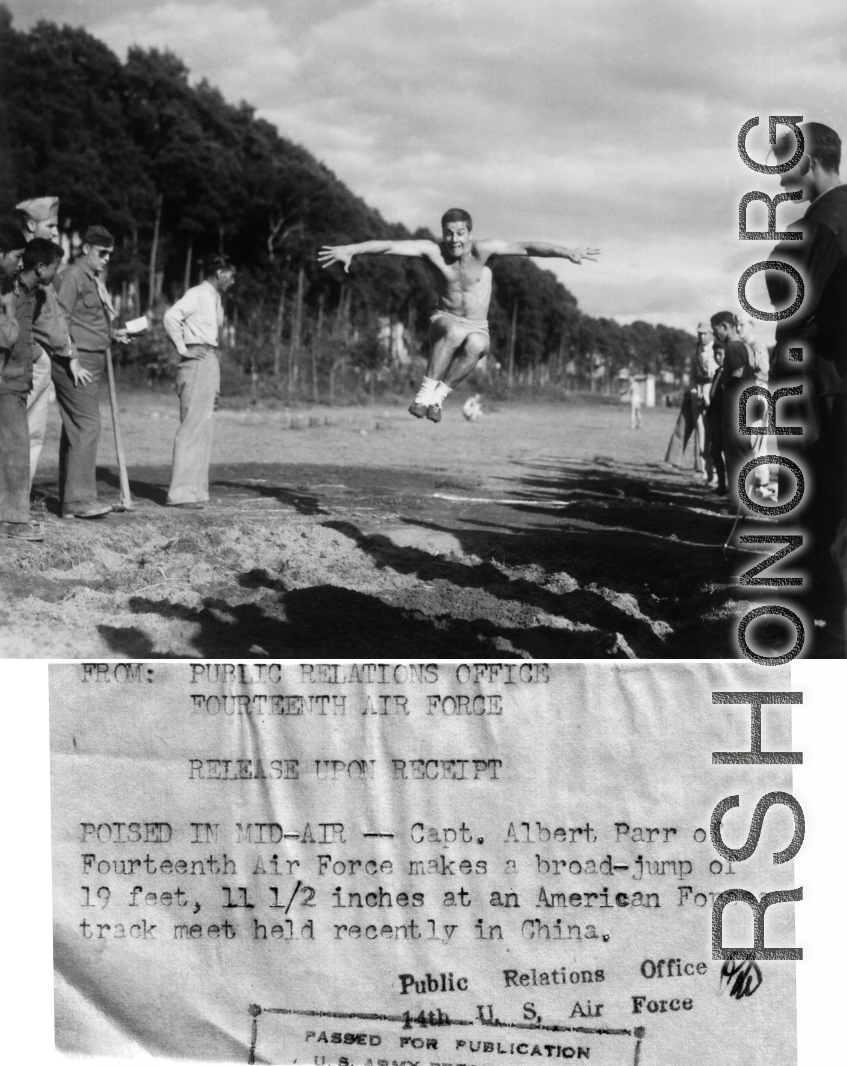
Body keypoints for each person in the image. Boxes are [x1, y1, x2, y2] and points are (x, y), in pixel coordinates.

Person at [319, 208, 599, 421]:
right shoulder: (432, 251)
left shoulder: (485, 251)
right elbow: (390, 245)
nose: (454, 239)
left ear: (470, 234)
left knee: (477, 344)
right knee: (455, 332)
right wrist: (352, 249)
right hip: (444, 320)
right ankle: (423, 396)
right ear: (443, 233)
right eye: (449, 233)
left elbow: (527, 247)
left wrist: (567, 253)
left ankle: (437, 400)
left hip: (478, 325)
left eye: (460, 233)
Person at [766, 121, 847, 622]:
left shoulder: (824, 222)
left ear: (811, 162)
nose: (779, 177)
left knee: (818, 500)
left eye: (785, 164)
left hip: (820, 382)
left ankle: (829, 633)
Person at [53, 225, 128, 519]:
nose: (107, 258)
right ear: (86, 249)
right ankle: (80, 501)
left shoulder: (93, 278)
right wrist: (72, 358)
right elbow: (60, 320)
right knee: (87, 426)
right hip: (77, 363)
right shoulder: (73, 276)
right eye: (102, 252)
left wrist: (114, 334)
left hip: (92, 359)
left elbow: (88, 321)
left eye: (110, 253)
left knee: (76, 428)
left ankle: (70, 501)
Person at [162, 254, 236, 508]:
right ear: (218, 274)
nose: (233, 281)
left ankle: (196, 492)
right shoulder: (198, 294)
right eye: (230, 275)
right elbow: (171, 317)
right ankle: (180, 493)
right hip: (196, 358)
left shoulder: (215, 299)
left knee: (204, 427)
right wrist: (183, 348)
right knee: (192, 426)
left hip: (209, 360)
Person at [14, 197, 73, 487]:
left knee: (34, 435)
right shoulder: (19, 263)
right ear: (30, 224)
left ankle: (18, 502)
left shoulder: (46, 266)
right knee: (15, 432)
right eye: (50, 225)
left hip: (40, 361)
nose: (54, 232)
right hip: (24, 362)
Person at [1, 227, 51, 542]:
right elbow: (7, 337)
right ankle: (12, 520)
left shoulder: (9, 288)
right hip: (5, 381)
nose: (21, 264)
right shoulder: (8, 293)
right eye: (18, 257)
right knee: (17, 448)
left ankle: (12, 517)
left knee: (15, 447)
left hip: (11, 380)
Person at [710, 312, 755, 506]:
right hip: (740, 408)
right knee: (740, 455)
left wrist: (725, 383)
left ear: (725, 327)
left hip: (736, 409)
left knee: (736, 456)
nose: (715, 335)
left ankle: (740, 507)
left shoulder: (733, 346)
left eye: (716, 330)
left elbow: (738, 372)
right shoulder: (739, 345)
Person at [664, 322, 713, 478]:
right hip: (693, 393)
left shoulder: (716, 350)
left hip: (707, 395)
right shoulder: (696, 350)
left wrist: (706, 394)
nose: (702, 336)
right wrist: (693, 390)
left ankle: (700, 466)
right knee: (682, 426)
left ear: (711, 333)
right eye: (700, 333)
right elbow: (692, 376)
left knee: (702, 430)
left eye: (705, 333)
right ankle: (673, 461)